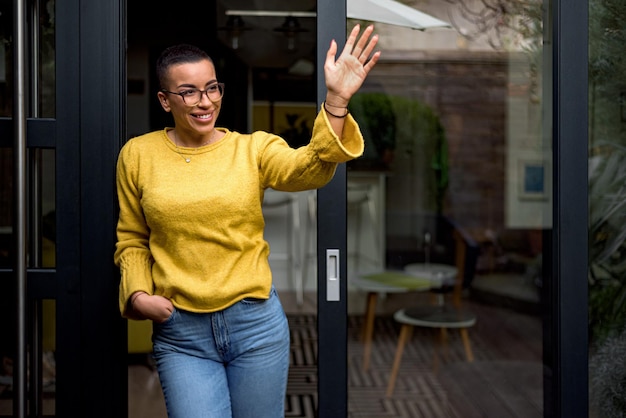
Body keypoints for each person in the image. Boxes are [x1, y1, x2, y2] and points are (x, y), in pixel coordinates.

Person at [114, 24, 380, 418]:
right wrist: (138, 296)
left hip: (255, 325)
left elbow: (310, 169)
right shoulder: (138, 154)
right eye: (188, 91)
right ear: (165, 100)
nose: (204, 101)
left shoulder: (252, 149)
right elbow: (132, 238)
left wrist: (337, 101)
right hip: (182, 332)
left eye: (212, 87)